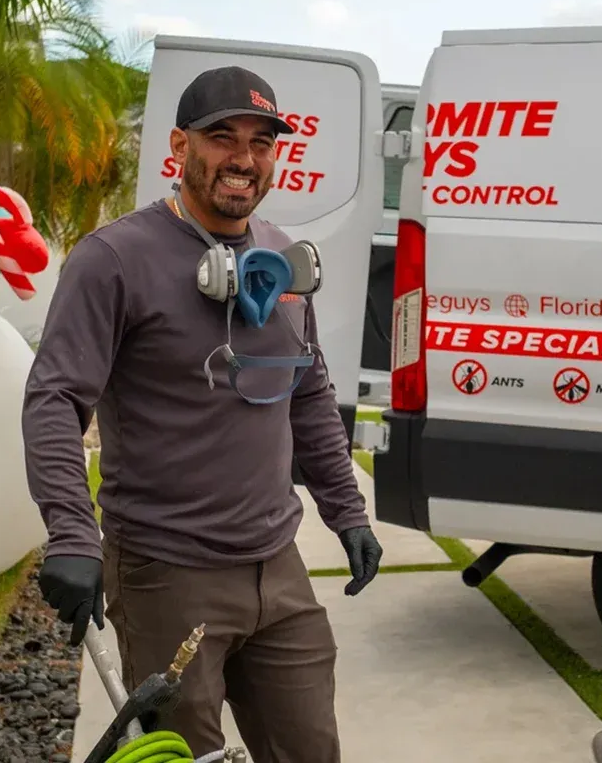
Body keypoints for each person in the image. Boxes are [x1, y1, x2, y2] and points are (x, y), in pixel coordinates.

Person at [21, 64, 384, 762]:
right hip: (167, 574)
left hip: (278, 566)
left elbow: (307, 391)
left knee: (311, 750)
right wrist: (71, 533)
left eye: (261, 142)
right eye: (223, 137)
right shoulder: (114, 259)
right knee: (185, 755)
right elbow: (55, 399)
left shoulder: (280, 257)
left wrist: (348, 513)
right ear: (180, 145)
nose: (244, 158)